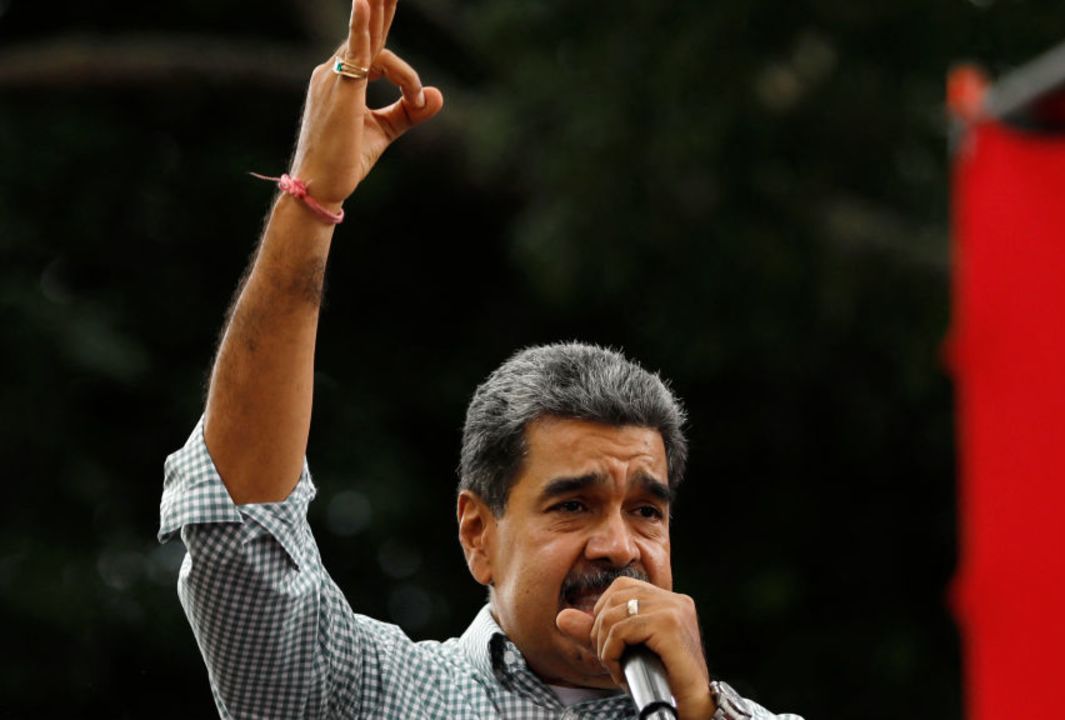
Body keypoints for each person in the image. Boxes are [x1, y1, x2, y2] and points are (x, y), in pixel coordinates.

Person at [158, 1, 802, 718]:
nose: (619, 547)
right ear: (478, 534)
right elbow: (242, 527)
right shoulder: (371, 692)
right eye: (574, 505)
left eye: (647, 510)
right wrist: (310, 203)